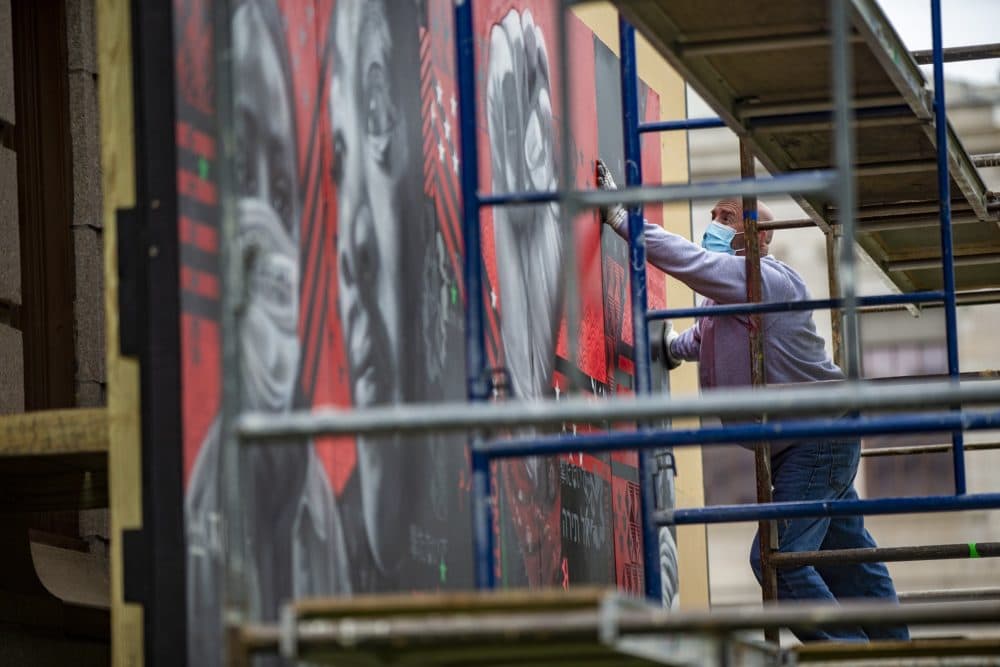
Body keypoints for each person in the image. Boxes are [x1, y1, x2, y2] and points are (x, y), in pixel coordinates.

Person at [596, 160, 908, 642]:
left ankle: (850, 656)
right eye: (715, 217)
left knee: (778, 560)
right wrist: (671, 347)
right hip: (806, 446)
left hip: (817, 438)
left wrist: (622, 220)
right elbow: (704, 337)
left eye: (727, 220)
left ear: (759, 238)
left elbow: (693, 264)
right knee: (847, 559)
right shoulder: (728, 299)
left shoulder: (768, 279)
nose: (714, 229)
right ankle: (896, 651)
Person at [186, 2, 349, 665]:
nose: (264, 227)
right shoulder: (196, 521)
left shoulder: (318, 510)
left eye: (280, 191)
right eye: (237, 172)